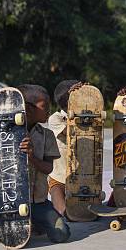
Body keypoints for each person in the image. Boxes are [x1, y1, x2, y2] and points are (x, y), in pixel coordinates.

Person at [0, 84, 70, 243]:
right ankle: (31, 224)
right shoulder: (3, 134)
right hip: (12, 203)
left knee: (62, 234)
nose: (48, 110)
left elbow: (48, 168)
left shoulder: (47, 135)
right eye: (44, 106)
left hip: (38, 203)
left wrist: (32, 157)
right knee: (17, 237)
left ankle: (38, 223)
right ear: (28, 109)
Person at [46, 80, 81, 217]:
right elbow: (71, 131)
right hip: (58, 177)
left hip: (80, 177)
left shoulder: (90, 116)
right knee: (62, 212)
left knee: (84, 213)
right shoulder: (56, 118)